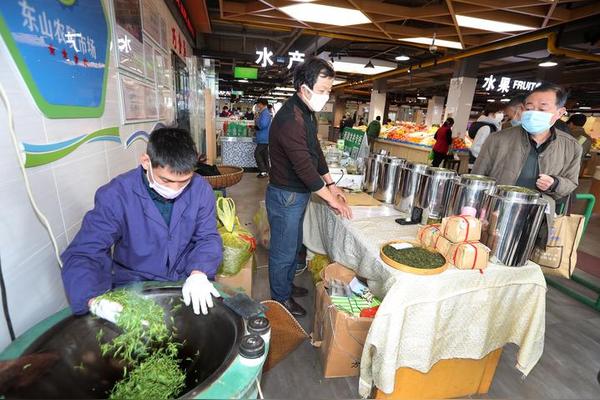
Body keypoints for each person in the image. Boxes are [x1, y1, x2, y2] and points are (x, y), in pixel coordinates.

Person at [61, 128, 223, 320]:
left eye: (184, 181)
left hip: (185, 281)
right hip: (135, 287)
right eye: (166, 180)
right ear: (146, 162)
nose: (176, 189)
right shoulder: (116, 195)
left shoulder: (200, 189)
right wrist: (92, 300)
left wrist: (198, 273)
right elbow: (84, 253)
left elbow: (207, 237)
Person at [268, 57, 352, 317]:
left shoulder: (306, 113)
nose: (326, 96)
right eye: (322, 90)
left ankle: (286, 287)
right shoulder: (290, 119)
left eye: (329, 91)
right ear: (304, 88)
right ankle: (280, 299)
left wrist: (332, 184)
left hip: (297, 195)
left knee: (294, 246)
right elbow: (305, 169)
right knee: (283, 251)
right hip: (286, 195)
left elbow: (315, 151)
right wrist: (331, 200)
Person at [473, 82, 582, 200]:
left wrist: (555, 183)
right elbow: (476, 178)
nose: (534, 113)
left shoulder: (572, 147)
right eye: (529, 108)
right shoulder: (497, 139)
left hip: (539, 214)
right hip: (496, 209)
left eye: (542, 109)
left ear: (559, 113)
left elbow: (571, 182)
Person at [468, 103, 504, 169]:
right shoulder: (486, 127)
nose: (502, 114)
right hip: (478, 165)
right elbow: (475, 148)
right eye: (500, 112)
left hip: (481, 164)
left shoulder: (493, 126)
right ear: (492, 112)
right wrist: (488, 158)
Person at [254, 98, 272, 178]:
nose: (257, 106)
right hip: (265, 138)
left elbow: (263, 124)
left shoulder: (265, 113)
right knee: (264, 155)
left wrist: (257, 124)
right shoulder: (264, 112)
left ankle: (263, 171)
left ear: (262, 104)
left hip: (263, 138)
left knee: (257, 154)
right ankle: (267, 171)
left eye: (258, 104)